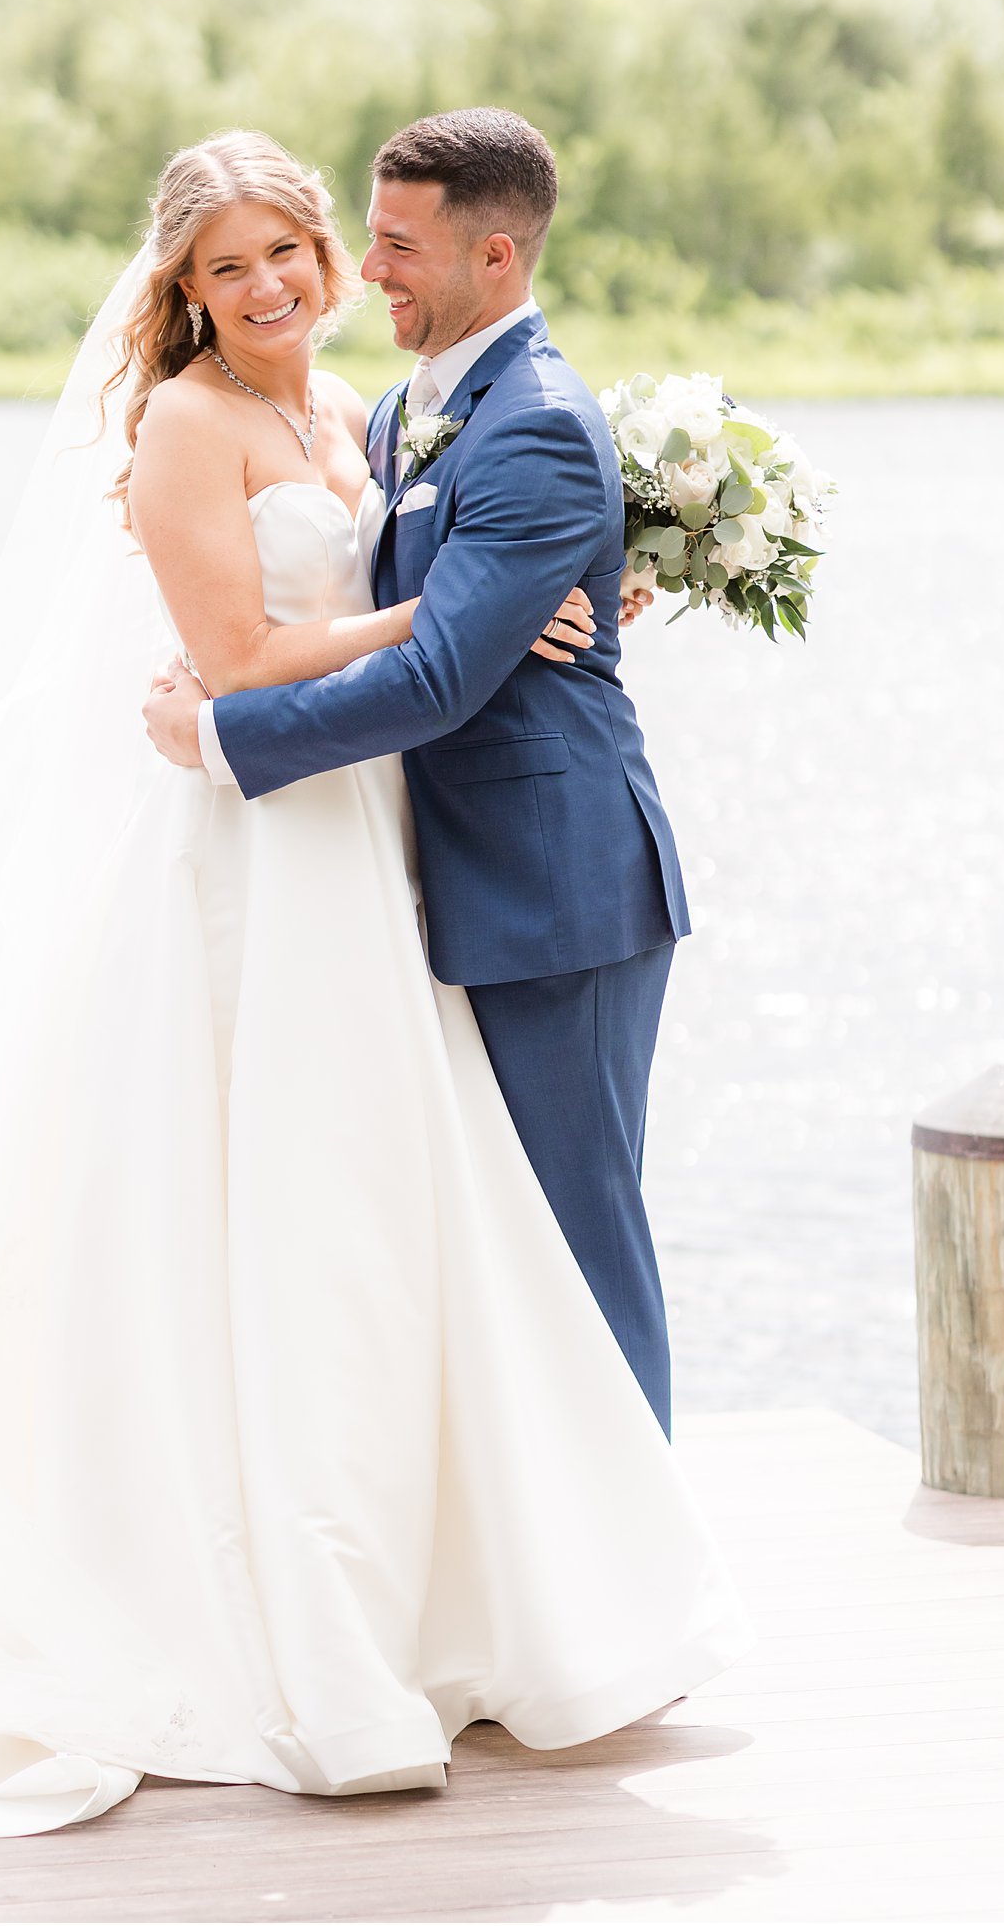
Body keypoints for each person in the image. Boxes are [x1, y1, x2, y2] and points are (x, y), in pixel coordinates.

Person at [0, 127, 749, 1841]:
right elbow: (240, 657)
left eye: (298, 248)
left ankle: (490, 1583)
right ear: (181, 293)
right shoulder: (187, 428)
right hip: (250, 845)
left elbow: (427, 573)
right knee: (249, 1193)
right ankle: (258, 1589)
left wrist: (553, 594)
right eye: (233, 265)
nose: (277, 280)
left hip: (368, 856)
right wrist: (471, 624)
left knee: (404, 1215)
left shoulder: (363, 412)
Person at [145, 107, 685, 1436]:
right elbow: (384, 610)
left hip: (553, 883)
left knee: (572, 1228)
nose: (360, 269)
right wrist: (480, 604)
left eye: (391, 245)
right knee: (468, 1239)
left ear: (495, 257)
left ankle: (640, 1564)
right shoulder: (392, 411)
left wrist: (221, 738)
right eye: (367, 239)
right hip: (406, 872)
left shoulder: (535, 419)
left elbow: (444, 674)